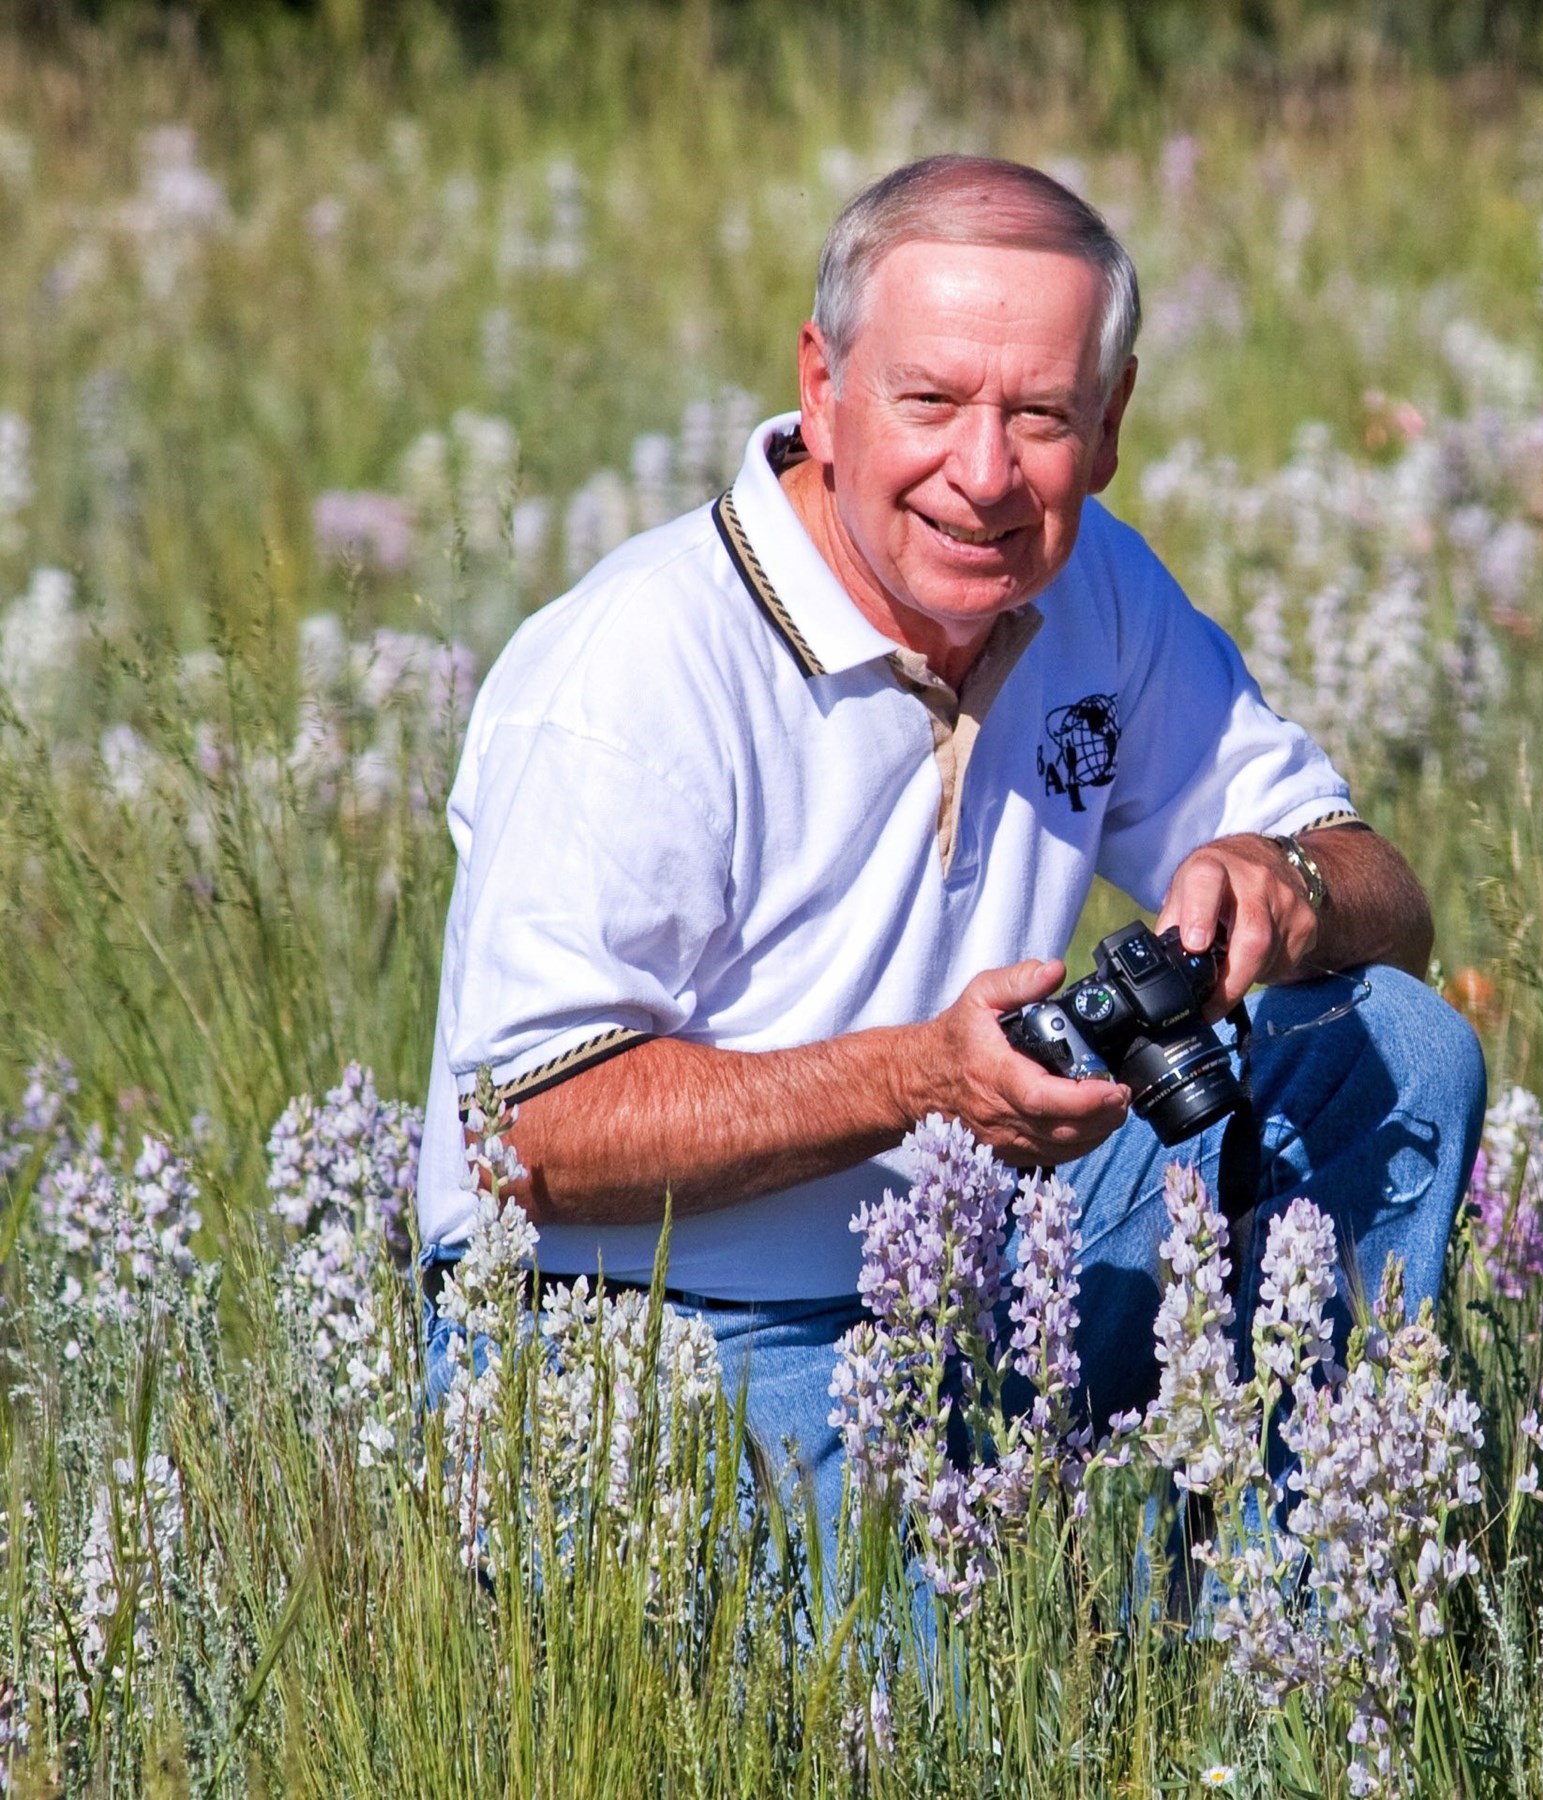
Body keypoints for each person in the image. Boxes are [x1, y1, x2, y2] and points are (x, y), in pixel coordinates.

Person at [415, 155, 1487, 1561]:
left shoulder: (1092, 581)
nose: (983, 477)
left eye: (1039, 416)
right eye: (930, 402)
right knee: (939, 1741)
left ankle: (1289, 1651)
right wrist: (922, 1080)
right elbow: (524, 1136)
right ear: (824, 389)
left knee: (1386, 1046)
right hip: (651, 1329)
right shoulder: (639, 664)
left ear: (1110, 427)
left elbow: (1383, 897)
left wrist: (1289, 890)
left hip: (980, 1275)